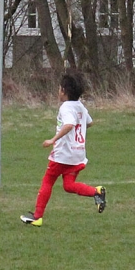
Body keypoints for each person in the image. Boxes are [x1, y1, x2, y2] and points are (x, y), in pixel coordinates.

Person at [20, 71, 106, 227]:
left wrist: (53, 139)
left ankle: (37, 217)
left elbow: (69, 125)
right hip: (78, 154)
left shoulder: (65, 107)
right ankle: (96, 192)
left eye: (59, 88)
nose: (58, 91)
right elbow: (89, 122)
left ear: (64, 91)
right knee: (68, 185)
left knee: (48, 181)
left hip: (63, 154)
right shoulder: (80, 106)